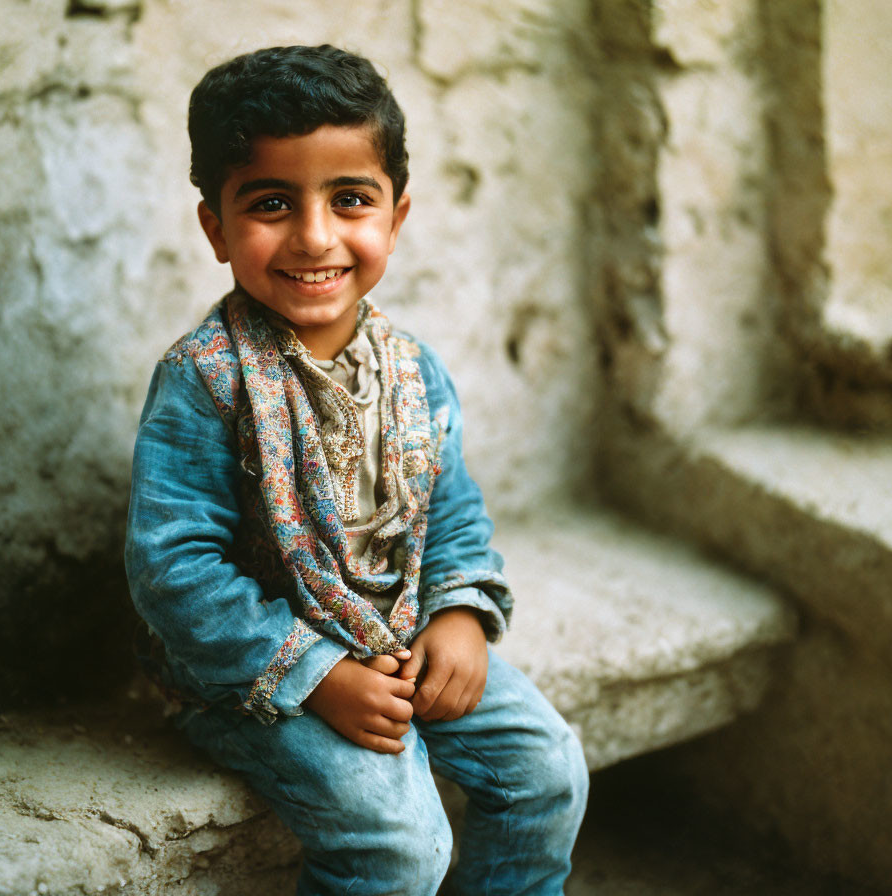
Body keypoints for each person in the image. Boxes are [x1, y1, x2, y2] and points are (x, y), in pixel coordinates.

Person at [124, 44, 588, 895]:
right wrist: (320, 675)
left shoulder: (415, 370)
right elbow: (174, 567)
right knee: (401, 848)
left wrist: (457, 617)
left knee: (547, 771)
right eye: (270, 203)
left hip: (400, 638)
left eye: (349, 200)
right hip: (255, 675)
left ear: (395, 217)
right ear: (216, 226)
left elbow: (448, 514)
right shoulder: (204, 381)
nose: (314, 236)